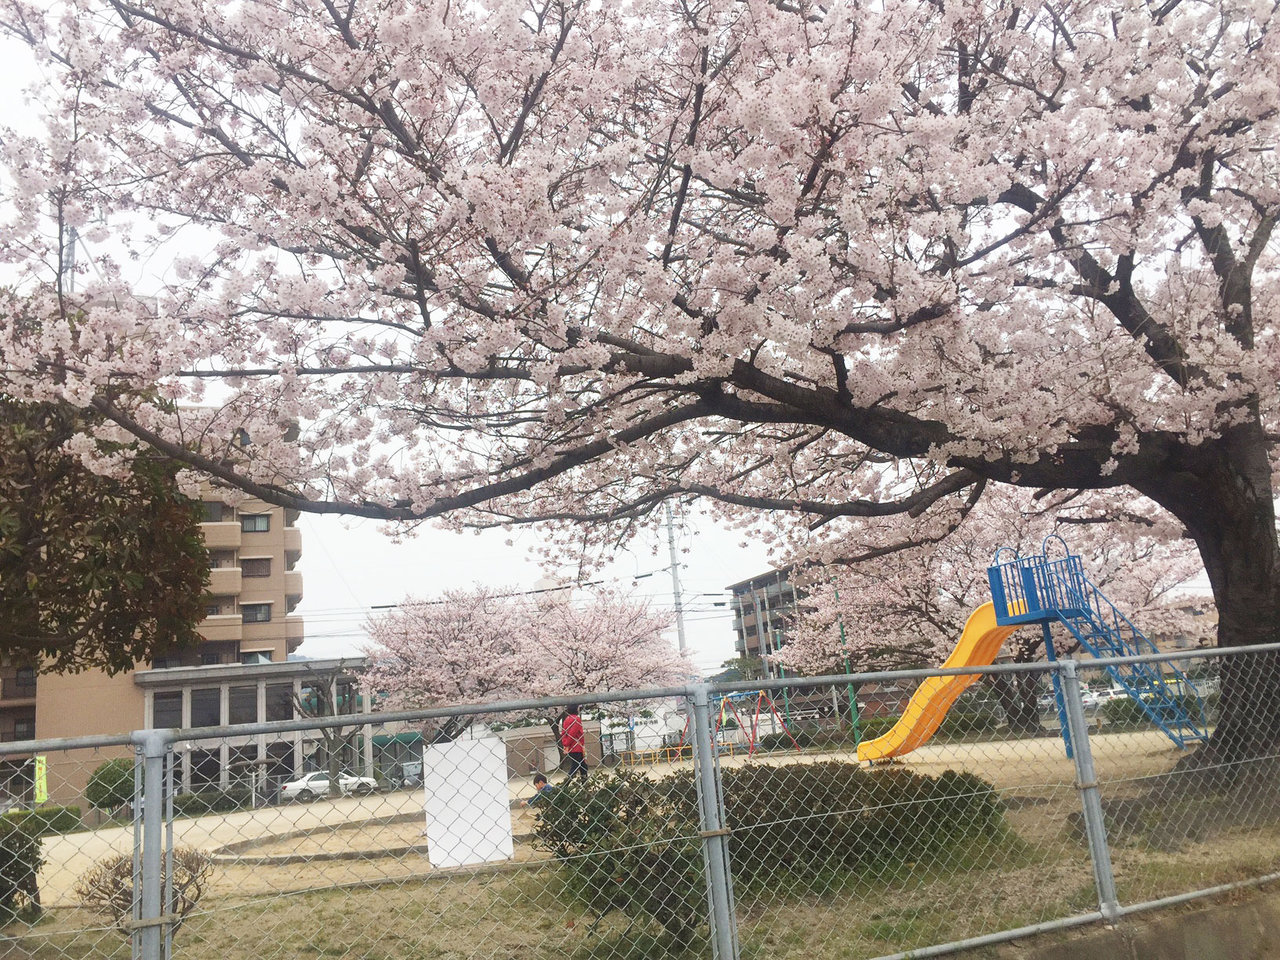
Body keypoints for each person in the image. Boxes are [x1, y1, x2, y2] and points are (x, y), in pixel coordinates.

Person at [560, 705, 588, 780]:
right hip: (577, 746)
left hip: (571, 747)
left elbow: (564, 732)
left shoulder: (567, 719)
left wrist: (565, 743)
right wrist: (568, 742)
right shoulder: (576, 719)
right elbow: (573, 733)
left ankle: (584, 783)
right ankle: (565, 784)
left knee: (583, 767)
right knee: (576, 767)